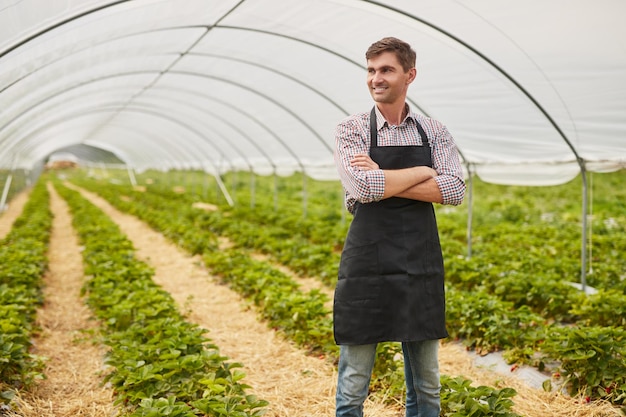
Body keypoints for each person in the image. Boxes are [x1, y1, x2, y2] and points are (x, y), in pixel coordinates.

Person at [333, 37, 466, 417]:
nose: (376, 78)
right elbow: (363, 187)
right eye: (371, 70)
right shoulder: (351, 129)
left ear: (410, 75)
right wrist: (425, 173)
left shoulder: (433, 131)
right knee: (354, 380)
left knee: (426, 383)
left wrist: (386, 177)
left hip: (419, 262)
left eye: (386, 70)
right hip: (367, 265)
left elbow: (454, 189)